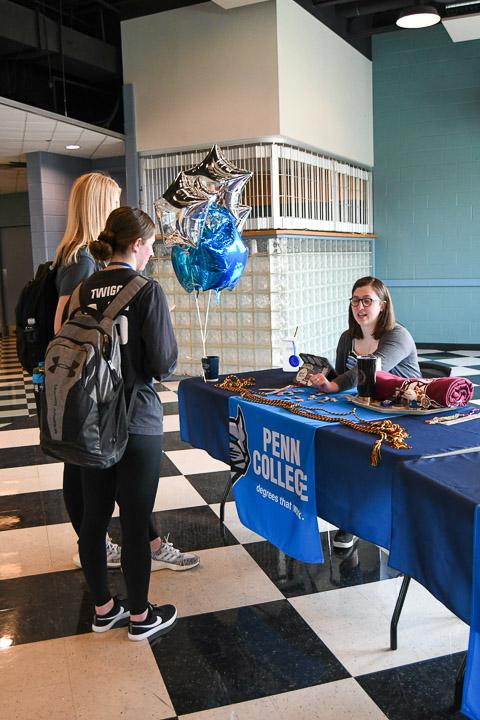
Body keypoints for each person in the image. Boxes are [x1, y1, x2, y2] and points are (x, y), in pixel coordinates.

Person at [53, 172, 199, 572]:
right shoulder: (86, 263)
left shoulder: (81, 262)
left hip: (89, 400)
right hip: (111, 401)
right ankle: (134, 592)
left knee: (104, 504)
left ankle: (108, 598)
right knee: (117, 508)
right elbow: (63, 330)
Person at [77, 206, 180, 639]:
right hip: (136, 418)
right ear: (136, 244)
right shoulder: (146, 290)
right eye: (151, 245)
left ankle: (103, 609)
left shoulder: (85, 288)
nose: (152, 254)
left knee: (93, 520)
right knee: (136, 521)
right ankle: (140, 616)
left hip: (91, 421)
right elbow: (162, 362)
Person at [312, 275, 420, 550]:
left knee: (361, 457)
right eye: (355, 301)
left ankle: (363, 518)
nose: (360, 307)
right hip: (365, 408)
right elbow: (341, 375)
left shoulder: (398, 335)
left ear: (382, 305)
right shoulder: (347, 338)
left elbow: (370, 368)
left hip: (405, 415)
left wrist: (335, 384)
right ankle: (349, 517)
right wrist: (322, 377)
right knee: (338, 448)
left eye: (367, 301)